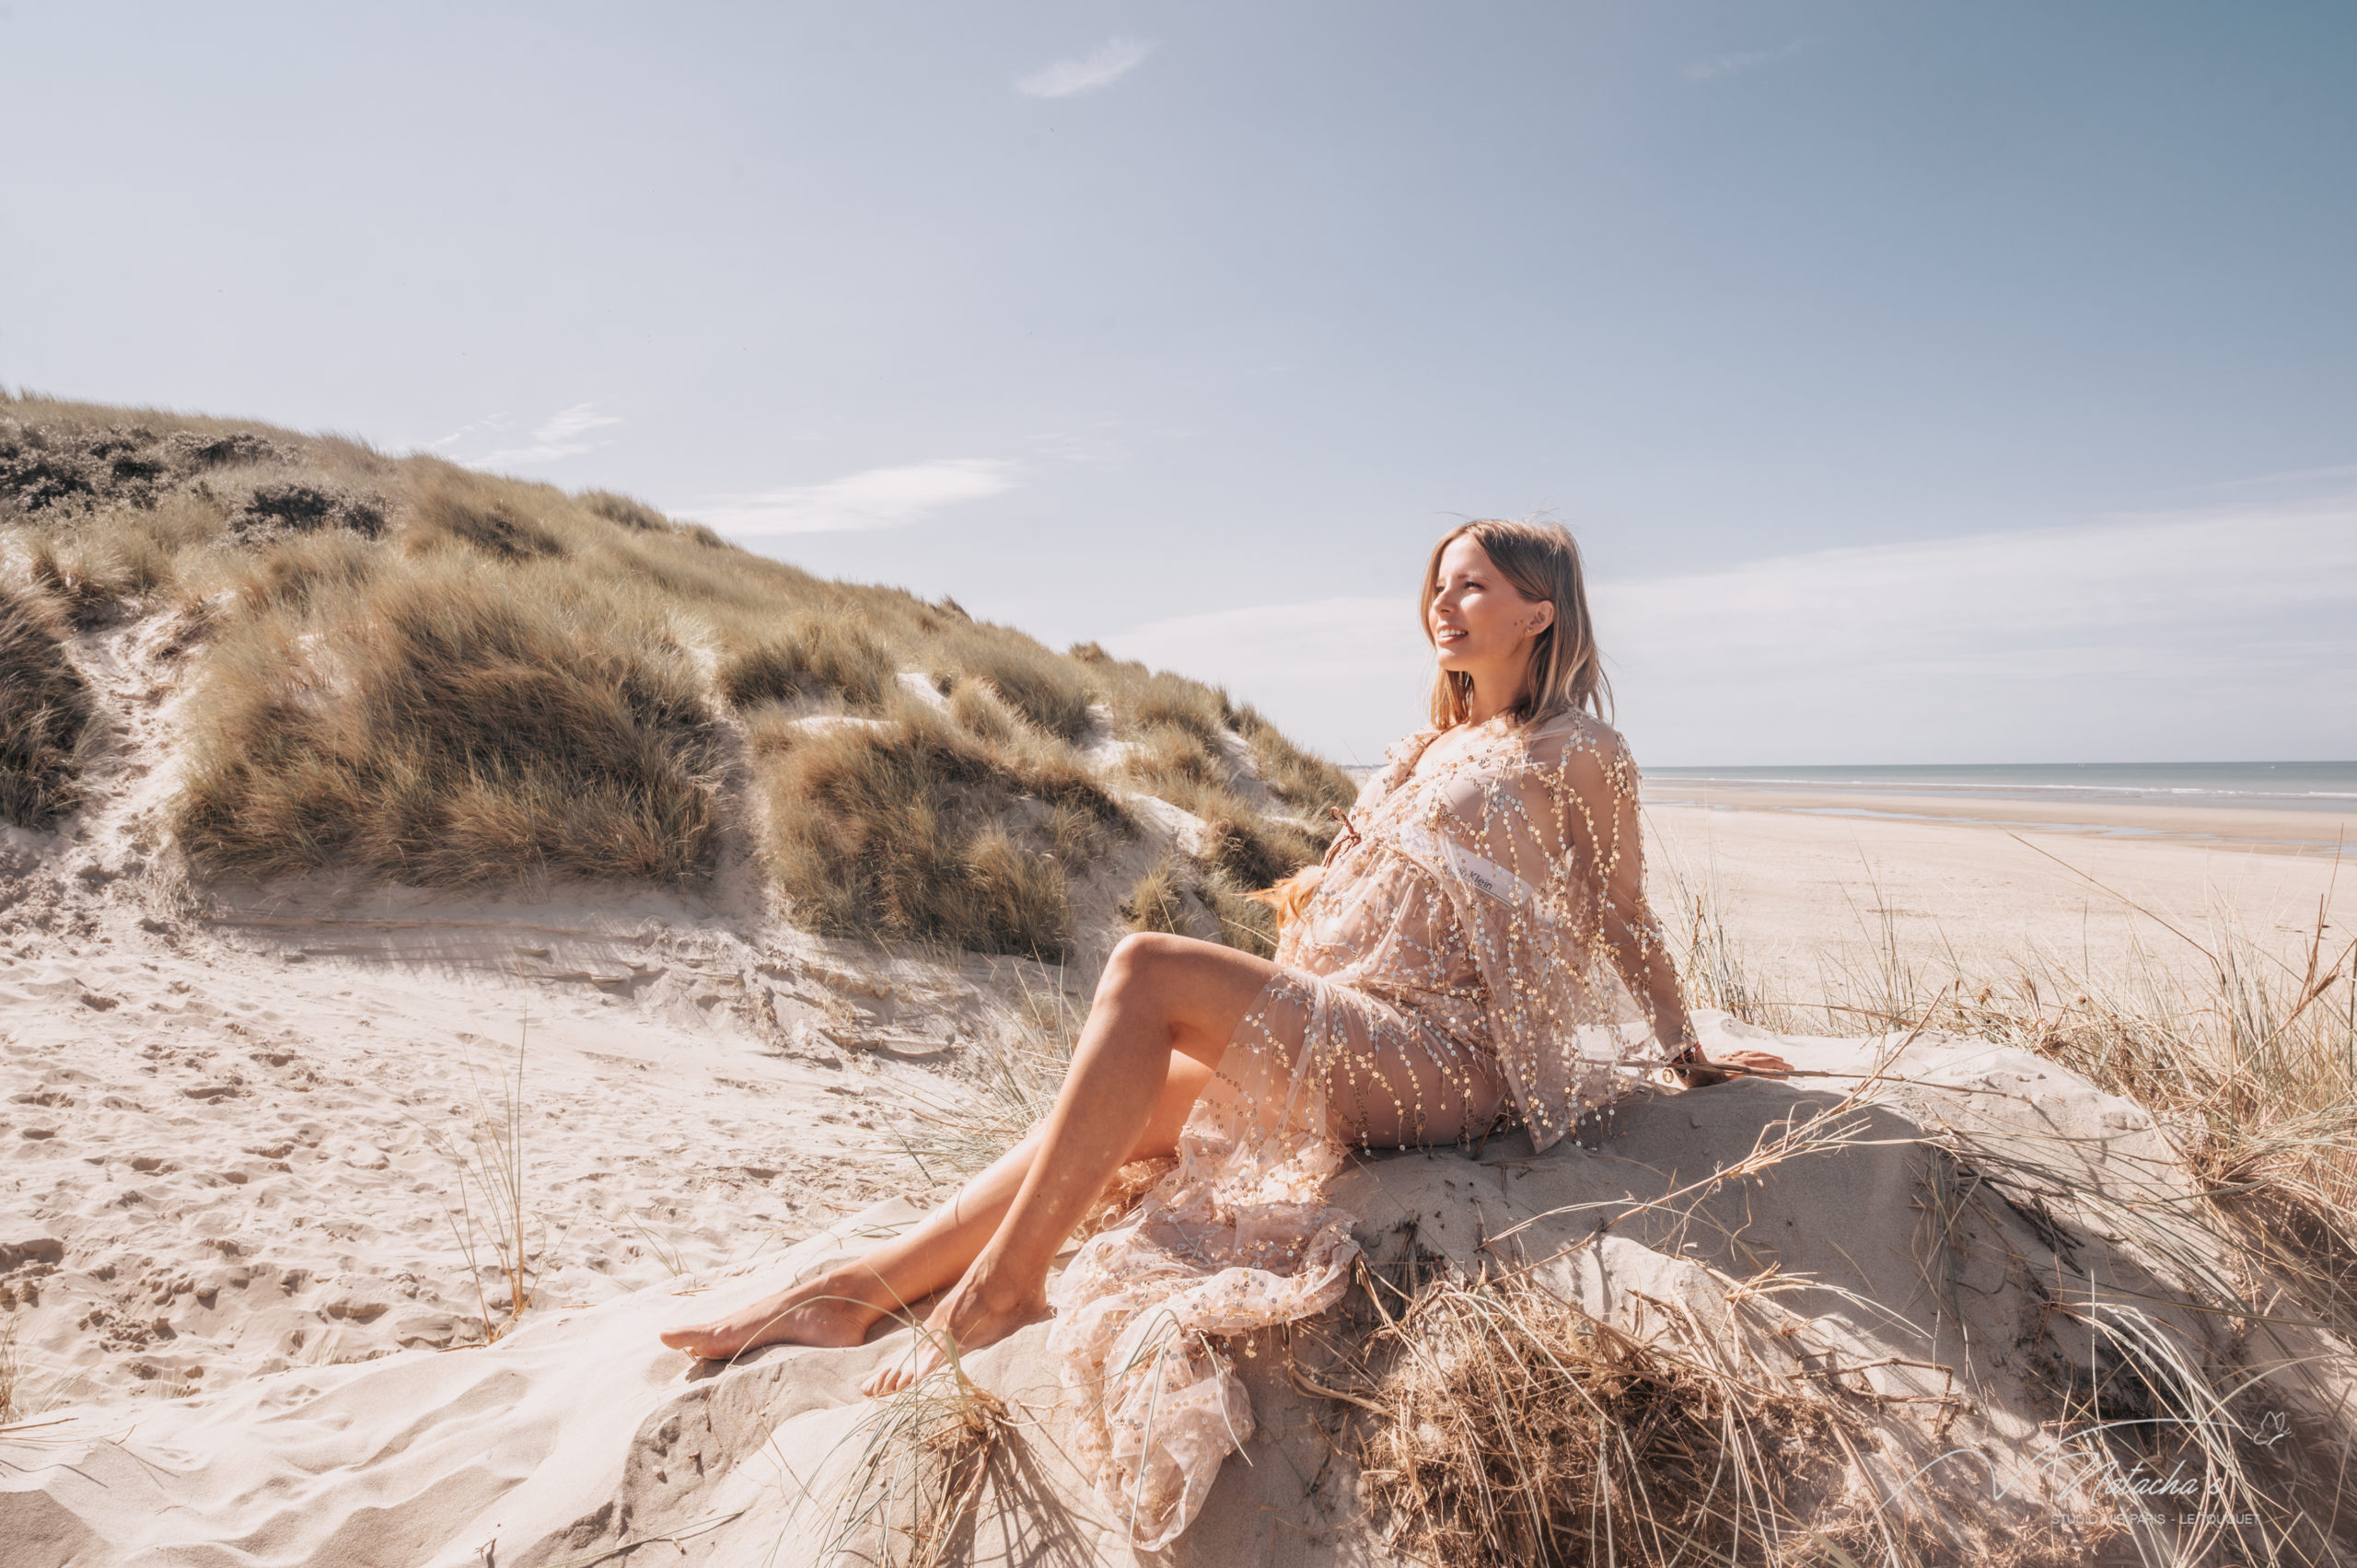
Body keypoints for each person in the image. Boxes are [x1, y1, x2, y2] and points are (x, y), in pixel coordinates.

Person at [659, 518, 1793, 1546]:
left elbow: (1620, 909)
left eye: (1473, 586)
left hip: (1451, 1057)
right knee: (1124, 1107)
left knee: (1147, 967)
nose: (1442, 605)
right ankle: (862, 1284)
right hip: (1364, 1026)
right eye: (1437, 586)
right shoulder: (1429, 744)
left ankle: (996, 1295)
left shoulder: (1579, 751)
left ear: (1540, 611)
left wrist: (1686, 1047)